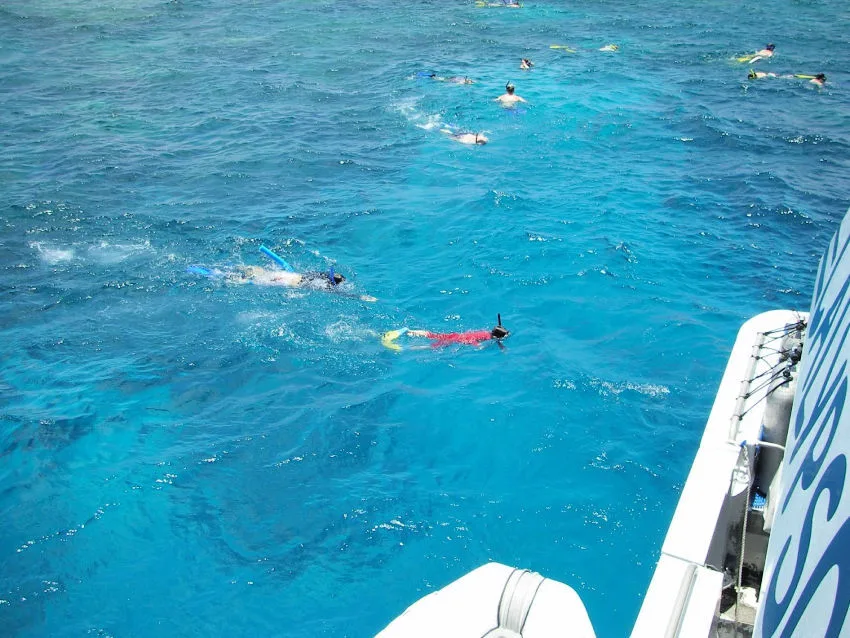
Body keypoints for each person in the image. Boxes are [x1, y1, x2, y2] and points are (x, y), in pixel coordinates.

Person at [227, 265, 378, 302]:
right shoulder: (325, 286)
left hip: (287, 275)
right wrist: (361, 297)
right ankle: (234, 280)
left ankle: (241, 268)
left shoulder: (320, 274)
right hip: (287, 283)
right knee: (256, 281)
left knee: (261, 272)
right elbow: (342, 294)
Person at [382, 316, 510, 351]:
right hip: (454, 340)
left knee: (431, 334)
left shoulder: (486, 332)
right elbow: (471, 341)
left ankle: (407, 330)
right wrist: (478, 347)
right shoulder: (489, 337)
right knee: (430, 347)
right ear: (496, 336)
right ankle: (404, 348)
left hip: (455, 335)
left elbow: (473, 336)